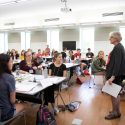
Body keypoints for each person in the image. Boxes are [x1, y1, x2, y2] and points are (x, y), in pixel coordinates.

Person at [105, 31, 125, 120]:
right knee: (115, 93)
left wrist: (113, 76)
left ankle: (115, 113)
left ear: (115, 38)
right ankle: (117, 111)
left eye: (111, 37)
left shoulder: (118, 48)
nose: (109, 39)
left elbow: (117, 64)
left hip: (115, 75)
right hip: (117, 75)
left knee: (114, 94)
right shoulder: (119, 47)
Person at [0, 54, 16, 121]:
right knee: (25, 105)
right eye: (11, 61)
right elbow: (12, 101)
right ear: (6, 64)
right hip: (4, 113)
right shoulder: (10, 78)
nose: (12, 63)